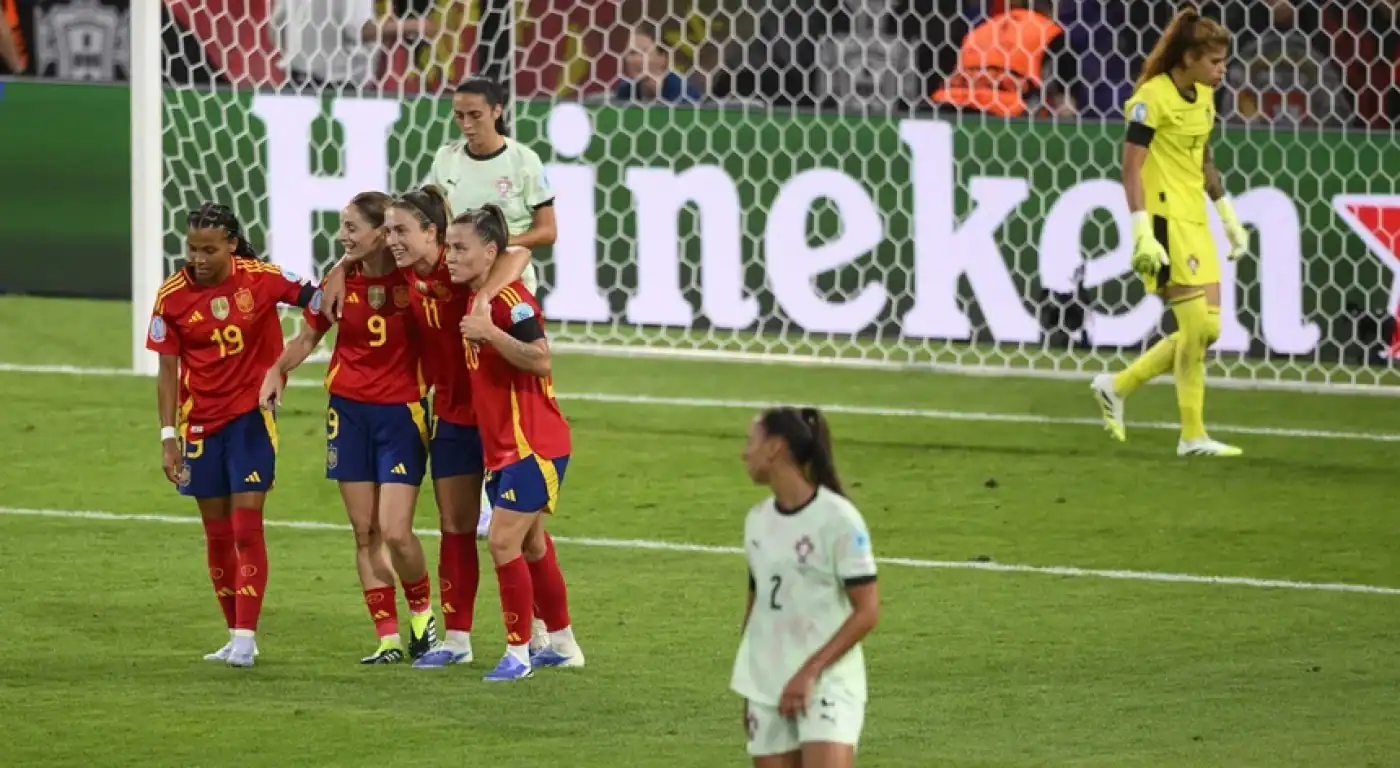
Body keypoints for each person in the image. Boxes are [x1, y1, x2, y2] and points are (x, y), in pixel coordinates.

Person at [321, 185, 530, 669]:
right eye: (389, 230)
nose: (394, 239)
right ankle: (453, 639)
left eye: (402, 230)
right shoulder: (402, 273)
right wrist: (338, 267)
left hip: (500, 415)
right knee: (454, 528)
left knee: (525, 536)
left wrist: (483, 302)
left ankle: (547, 635)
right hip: (452, 415)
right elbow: (363, 251)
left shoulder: (455, 266)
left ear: (431, 232)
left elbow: (517, 252)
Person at [259, 191, 438, 665]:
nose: (343, 236)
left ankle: (424, 618)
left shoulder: (415, 278)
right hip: (349, 413)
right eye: (343, 228)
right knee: (364, 533)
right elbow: (307, 336)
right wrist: (279, 370)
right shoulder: (339, 281)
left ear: (382, 232)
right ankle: (388, 639)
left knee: (395, 531)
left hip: (402, 413)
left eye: (352, 228)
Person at [147, 203, 319, 668]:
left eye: (209, 250)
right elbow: (167, 370)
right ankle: (234, 633)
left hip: (250, 417)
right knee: (217, 534)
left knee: (246, 527)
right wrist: (168, 437)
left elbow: (320, 300)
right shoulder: (172, 296)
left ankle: (246, 637)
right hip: (199, 423)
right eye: (192, 249)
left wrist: (287, 362)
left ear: (231, 244)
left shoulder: (260, 277)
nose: (198, 259)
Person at [1090, 7, 1250, 457]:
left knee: (1209, 329)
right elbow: (1131, 168)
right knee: (1196, 326)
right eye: (1215, 62)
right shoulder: (1151, 98)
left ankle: (1117, 385)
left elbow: (1204, 160)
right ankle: (1192, 436)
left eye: (1223, 62)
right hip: (1162, 219)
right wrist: (1141, 229)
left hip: (1195, 218)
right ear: (1187, 57)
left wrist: (1227, 214)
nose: (1222, 70)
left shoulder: (1203, 97)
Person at [447, 205, 585, 682]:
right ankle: (564, 644)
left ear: (489, 252)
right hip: (504, 449)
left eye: (459, 247)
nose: (449, 256)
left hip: (534, 444)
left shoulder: (512, 303)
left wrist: (490, 333)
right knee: (531, 544)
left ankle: (518, 652)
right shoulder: (476, 299)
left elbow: (541, 360)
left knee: (502, 540)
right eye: (447, 246)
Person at [731, 407, 880, 768]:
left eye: (751, 442)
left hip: (827, 682)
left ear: (775, 448)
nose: (743, 453)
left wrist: (810, 671)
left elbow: (867, 611)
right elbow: (758, 607)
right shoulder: (758, 521)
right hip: (767, 684)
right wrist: (751, 684)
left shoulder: (838, 519)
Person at [425, 76, 557, 296]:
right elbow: (433, 218)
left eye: (475, 115)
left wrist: (495, 245)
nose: (466, 124)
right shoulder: (445, 158)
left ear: (496, 111)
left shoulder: (524, 160)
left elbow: (548, 231)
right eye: (459, 116)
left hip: (511, 281)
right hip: (457, 281)